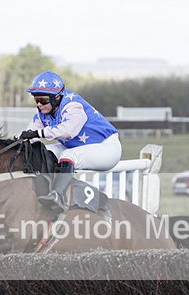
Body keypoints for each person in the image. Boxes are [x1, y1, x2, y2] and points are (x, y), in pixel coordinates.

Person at [19, 71, 121, 211]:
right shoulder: (42, 113)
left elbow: (68, 130)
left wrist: (39, 133)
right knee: (45, 151)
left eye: (43, 100)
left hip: (106, 148)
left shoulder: (73, 105)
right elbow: (30, 136)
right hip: (80, 147)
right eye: (36, 100)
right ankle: (41, 190)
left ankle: (58, 195)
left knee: (68, 156)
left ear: (56, 98)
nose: (39, 104)